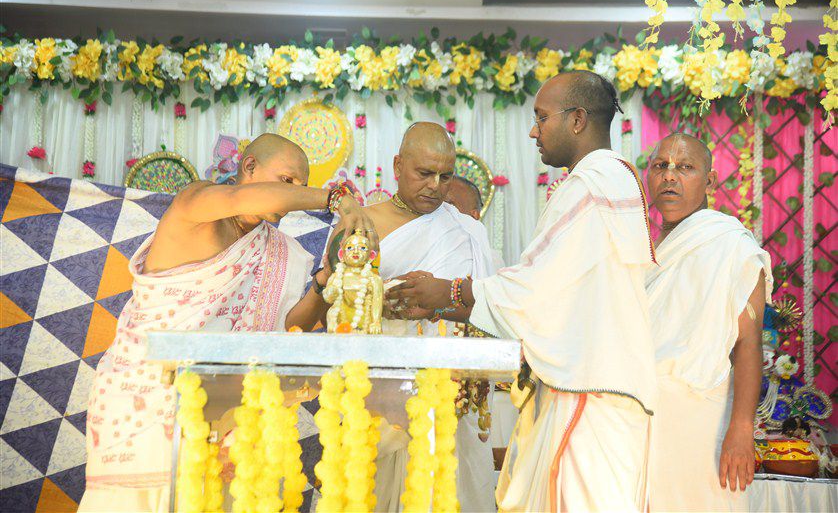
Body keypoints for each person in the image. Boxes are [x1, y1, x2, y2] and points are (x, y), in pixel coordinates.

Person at [387, 71, 658, 512]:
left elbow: (533, 292)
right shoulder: (613, 179)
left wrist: (446, 293)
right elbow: (558, 299)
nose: (533, 130)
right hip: (597, 389)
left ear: (577, 120)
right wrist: (444, 305)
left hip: (590, 392)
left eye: (541, 117)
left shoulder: (589, 186)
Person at [79, 133, 375, 512]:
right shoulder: (195, 204)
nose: (293, 195)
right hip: (143, 401)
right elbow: (239, 199)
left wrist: (323, 281)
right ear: (249, 166)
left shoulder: (281, 250)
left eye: (301, 186)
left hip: (228, 417)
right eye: (287, 182)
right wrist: (335, 198)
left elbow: (285, 329)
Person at [355, 122, 496, 513]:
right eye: (424, 173)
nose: (435, 185)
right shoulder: (364, 223)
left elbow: (489, 307)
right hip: (381, 392)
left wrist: (444, 298)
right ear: (398, 165)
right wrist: (385, 300)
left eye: (445, 176)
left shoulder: (467, 230)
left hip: (451, 393)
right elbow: (335, 305)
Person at [645, 133, 771, 512]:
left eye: (684, 167)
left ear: (710, 181)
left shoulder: (732, 246)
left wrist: (742, 428)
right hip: (640, 419)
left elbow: (748, 344)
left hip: (703, 420)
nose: (669, 176)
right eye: (660, 166)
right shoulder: (640, 250)